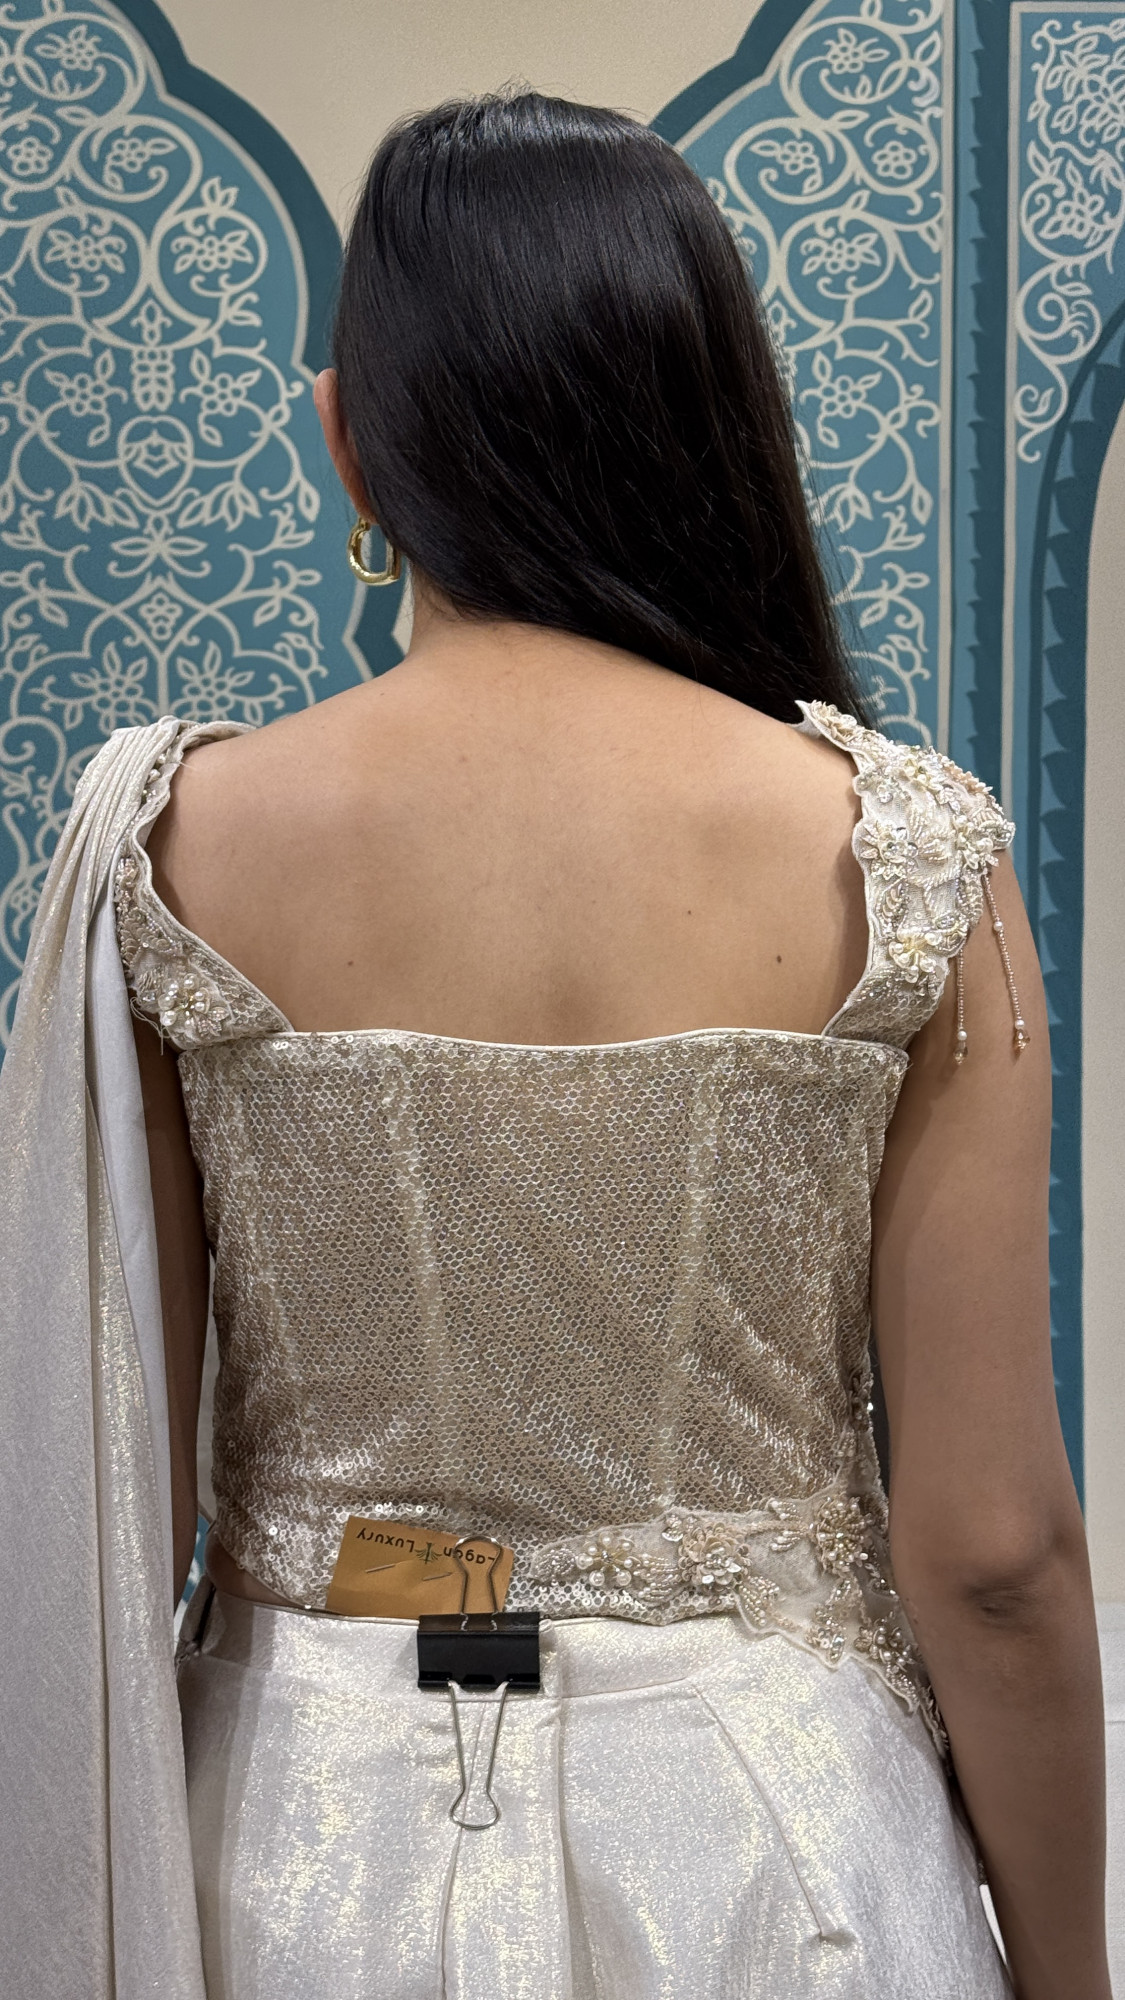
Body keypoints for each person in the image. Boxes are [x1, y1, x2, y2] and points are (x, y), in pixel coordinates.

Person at [0, 92, 1110, 2000]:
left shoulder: (170, 843)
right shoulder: (905, 853)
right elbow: (995, 1551)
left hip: (292, 1848)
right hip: (776, 1855)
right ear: (706, 421)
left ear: (350, 437)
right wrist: (1072, 1967)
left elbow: (95, 1492)